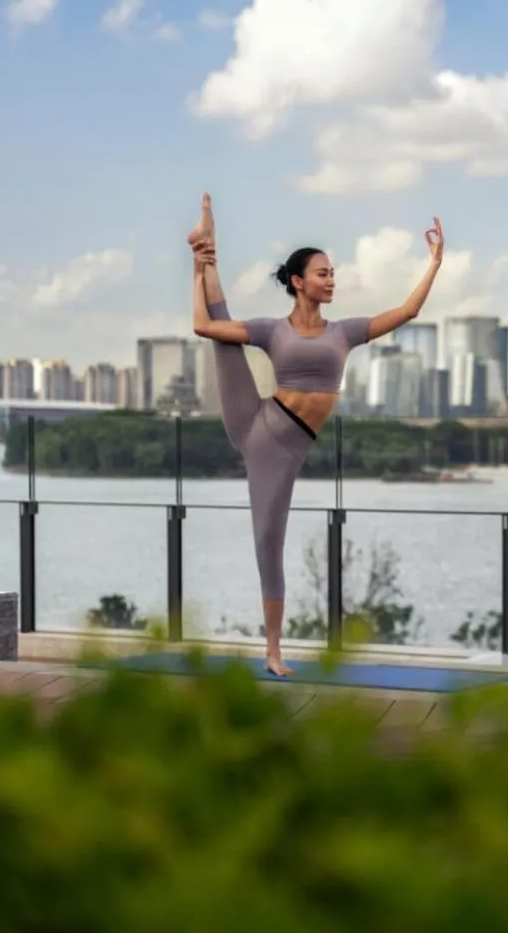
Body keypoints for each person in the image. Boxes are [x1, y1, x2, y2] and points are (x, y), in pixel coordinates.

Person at [187, 193, 444, 676]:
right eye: (323, 273)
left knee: (268, 538)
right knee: (269, 540)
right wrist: (196, 269)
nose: (332, 280)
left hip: (285, 442)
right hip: (259, 429)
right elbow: (202, 325)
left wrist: (434, 263)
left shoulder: (343, 332)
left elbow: (406, 311)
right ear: (299, 282)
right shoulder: (271, 330)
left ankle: (207, 252)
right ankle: (274, 652)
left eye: (333, 273)